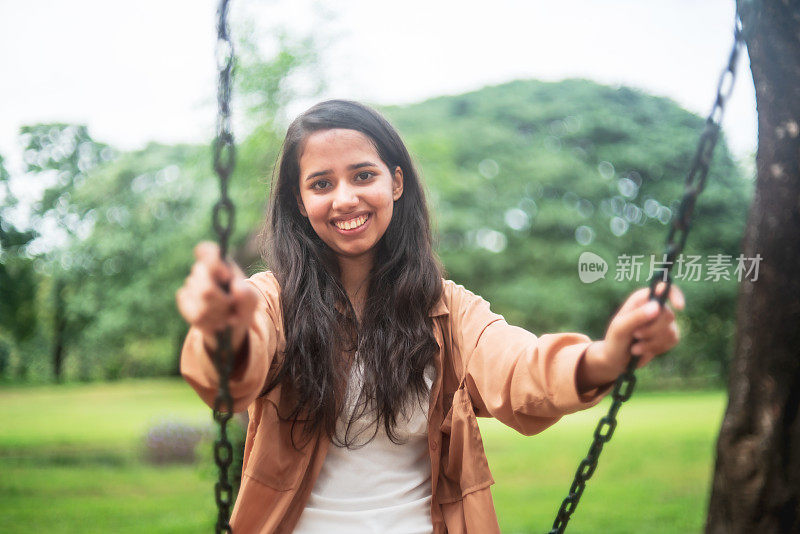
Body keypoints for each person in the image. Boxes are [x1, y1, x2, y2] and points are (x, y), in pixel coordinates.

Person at [176, 99, 684, 534]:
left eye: (363, 175)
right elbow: (235, 368)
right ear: (300, 200)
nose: (346, 198)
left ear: (396, 183)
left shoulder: (446, 309)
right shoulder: (270, 301)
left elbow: (518, 366)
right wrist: (225, 332)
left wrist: (604, 357)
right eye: (322, 183)